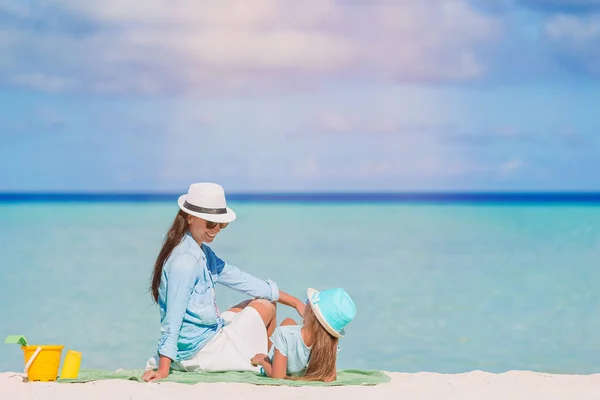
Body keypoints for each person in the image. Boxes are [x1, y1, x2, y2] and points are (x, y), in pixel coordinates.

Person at [143, 183, 305, 382]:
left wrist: (296, 303)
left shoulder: (200, 251)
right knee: (267, 306)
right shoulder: (186, 260)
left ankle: (267, 359)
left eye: (222, 224)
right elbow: (173, 318)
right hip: (201, 351)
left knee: (261, 299)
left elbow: (242, 280)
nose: (217, 229)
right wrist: (163, 369)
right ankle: (268, 363)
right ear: (190, 217)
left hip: (204, 334)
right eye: (211, 223)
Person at [250, 287, 356, 382]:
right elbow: (330, 378)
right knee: (289, 322)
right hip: (298, 361)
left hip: (279, 358)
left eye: (307, 302)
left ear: (310, 312)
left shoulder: (284, 334)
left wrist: (263, 360)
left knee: (286, 322)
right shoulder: (330, 343)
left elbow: (278, 378)